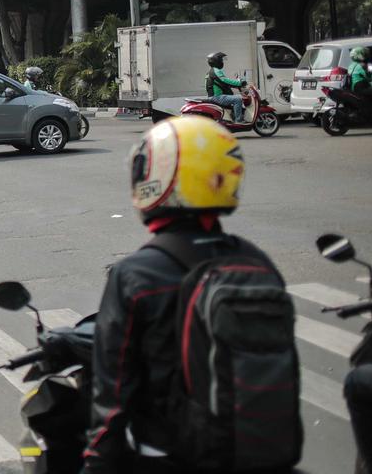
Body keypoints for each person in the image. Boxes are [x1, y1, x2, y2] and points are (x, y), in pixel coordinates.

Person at [86, 115, 296, 474]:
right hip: (260, 456)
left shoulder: (136, 274)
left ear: (157, 178)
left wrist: (95, 465)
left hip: (167, 456)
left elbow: (113, 396)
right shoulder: (256, 262)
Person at [205, 51, 246, 123]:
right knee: (238, 99)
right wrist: (240, 83)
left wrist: (235, 85)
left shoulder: (210, 72)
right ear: (216, 61)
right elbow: (225, 80)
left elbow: (222, 83)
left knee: (232, 97)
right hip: (217, 97)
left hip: (214, 96)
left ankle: (232, 116)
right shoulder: (216, 71)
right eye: (221, 60)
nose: (222, 62)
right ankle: (238, 120)